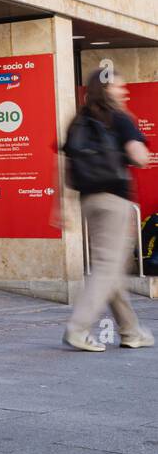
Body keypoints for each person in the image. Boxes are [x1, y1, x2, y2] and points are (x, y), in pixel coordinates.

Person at [62, 67, 155, 351]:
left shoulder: (79, 119)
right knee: (107, 266)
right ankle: (78, 328)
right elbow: (140, 158)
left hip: (89, 200)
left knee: (110, 267)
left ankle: (130, 331)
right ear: (106, 90)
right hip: (115, 200)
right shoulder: (120, 118)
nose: (124, 91)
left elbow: (65, 164)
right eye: (119, 87)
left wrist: (62, 205)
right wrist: (138, 148)